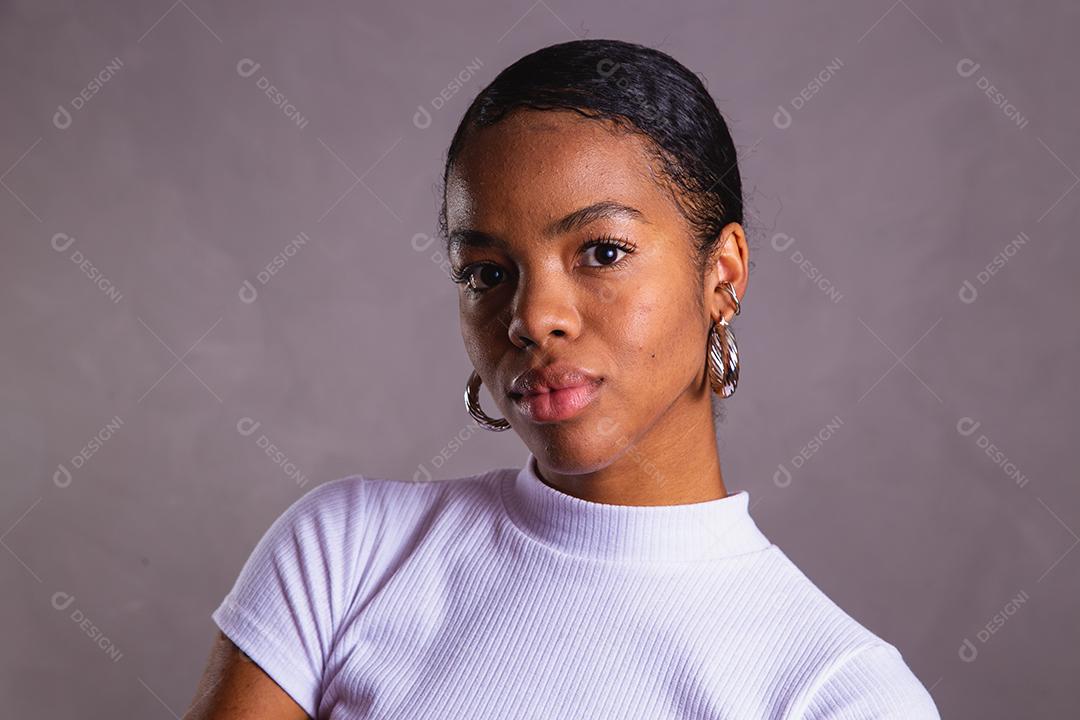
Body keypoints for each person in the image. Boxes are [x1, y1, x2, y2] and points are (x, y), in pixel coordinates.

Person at [187, 38, 941, 719]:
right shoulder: (348, 554)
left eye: (602, 252)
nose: (532, 317)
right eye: (486, 272)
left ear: (723, 275)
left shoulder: (834, 691)